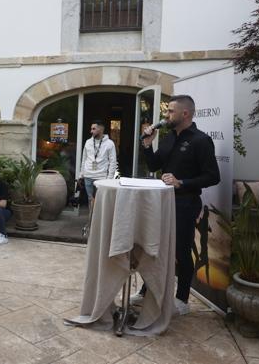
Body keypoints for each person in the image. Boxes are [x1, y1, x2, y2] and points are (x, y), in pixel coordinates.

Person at [135, 94, 220, 315]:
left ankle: (182, 300)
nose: (166, 115)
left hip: (185, 204)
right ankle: (146, 290)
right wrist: (146, 145)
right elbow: (154, 165)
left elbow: (213, 176)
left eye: (170, 111)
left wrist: (182, 182)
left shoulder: (201, 140)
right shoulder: (168, 138)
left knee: (181, 252)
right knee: (155, 248)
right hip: (162, 202)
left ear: (185, 113)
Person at [78, 119, 118, 213]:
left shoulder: (109, 144)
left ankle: (98, 223)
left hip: (101, 178)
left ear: (100, 129)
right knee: (90, 200)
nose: (91, 131)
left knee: (100, 202)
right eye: (91, 129)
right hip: (88, 176)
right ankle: (91, 223)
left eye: (93, 129)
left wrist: (109, 179)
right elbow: (84, 159)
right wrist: (81, 174)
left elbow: (113, 162)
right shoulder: (88, 142)